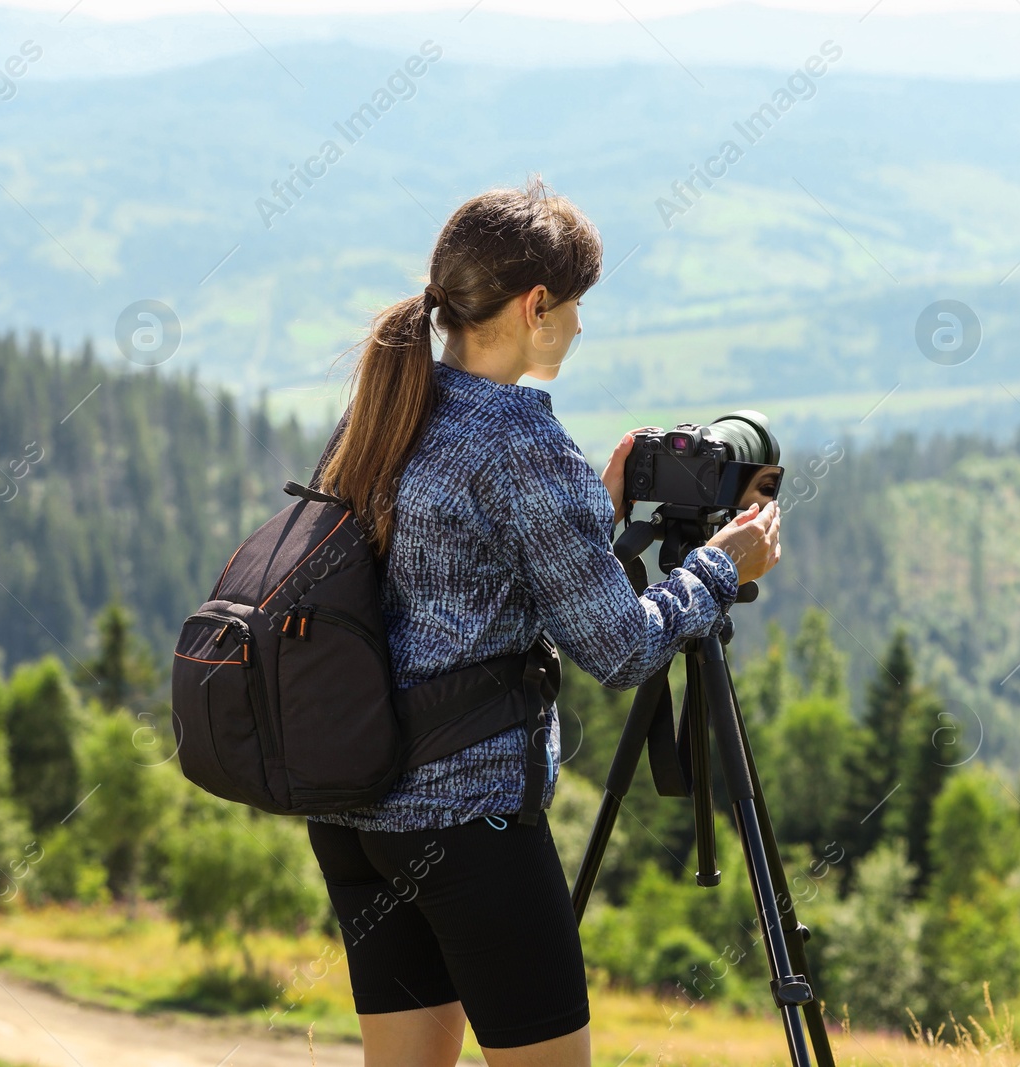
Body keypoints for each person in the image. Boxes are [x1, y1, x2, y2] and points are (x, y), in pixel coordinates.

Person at [304, 177, 781, 1067]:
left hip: (359, 808)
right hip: (468, 819)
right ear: (535, 306)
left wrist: (588, 518)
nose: (579, 324)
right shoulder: (525, 443)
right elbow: (621, 648)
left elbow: (450, 575)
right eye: (575, 305)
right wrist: (723, 564)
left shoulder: (390, 409)